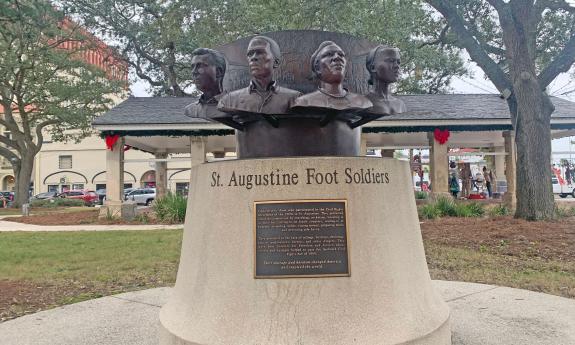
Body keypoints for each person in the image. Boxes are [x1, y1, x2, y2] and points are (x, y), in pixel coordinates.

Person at [218, 36, 301, 115]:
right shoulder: (228, 100)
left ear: (276, 62)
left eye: (260, 52)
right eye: (250, 54)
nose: (253, 58)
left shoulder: (294, 99)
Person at [290, 41, 372, 111]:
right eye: (328, 54)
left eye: (341, 55)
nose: (337, 57)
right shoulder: (304, 102)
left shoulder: (364, 102)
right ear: (317, 67)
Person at [184, 48, 227, 120]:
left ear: (219, 71)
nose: (194, 71)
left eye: (200, 66)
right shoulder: (191, 109)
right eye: (192, 67)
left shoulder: (236, 105)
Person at [364, 45, 407, 115]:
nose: (397, 66)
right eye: (390, 61)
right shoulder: (363, 104)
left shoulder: (401, 105)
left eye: (398, 62)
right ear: (373, 67)